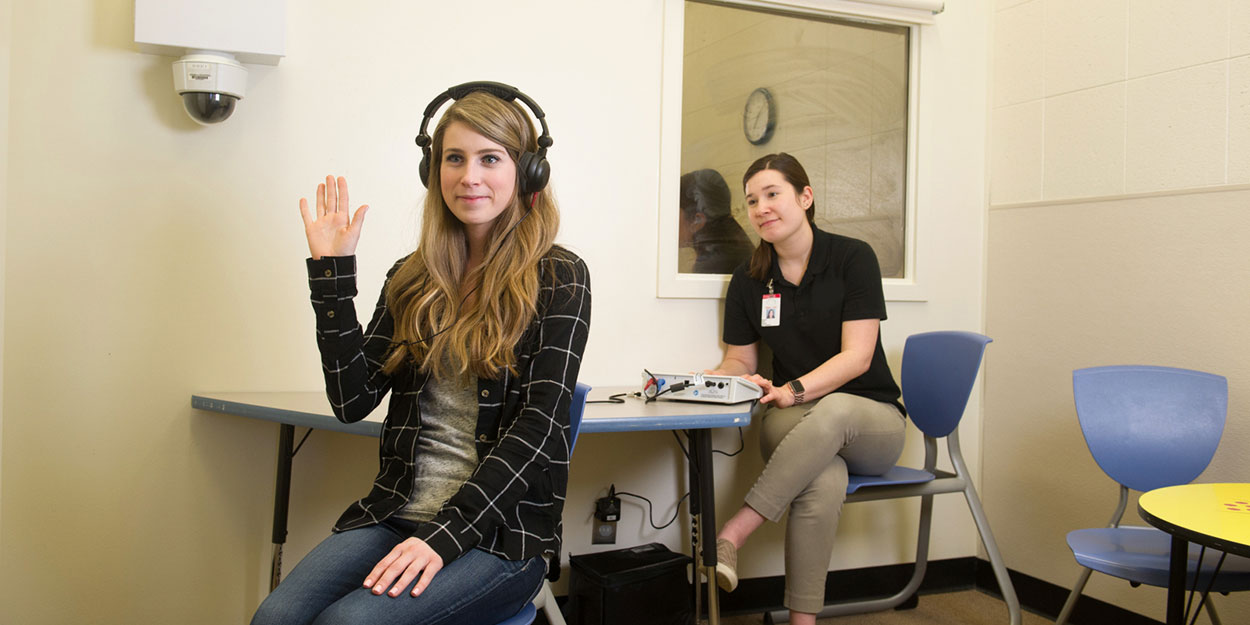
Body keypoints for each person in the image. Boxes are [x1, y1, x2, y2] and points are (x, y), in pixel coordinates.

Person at [250, 85, 591, 625]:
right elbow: (351, 399)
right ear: (433, 171)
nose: (468, 176)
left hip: (497, 536)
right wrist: (332, 276)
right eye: (453, 158)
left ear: (527, 173)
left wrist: (447, 534)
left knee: (347, 624)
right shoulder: (414, 277)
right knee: (275, 618)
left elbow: (540, 427)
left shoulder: (559, 277)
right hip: (395, 513)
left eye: (490, 158)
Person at [706, 153, 905, 625]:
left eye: (773, 194)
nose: (761, 208)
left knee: (835, 411)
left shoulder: (853, 258)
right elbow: (740, 358)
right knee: (823, 477)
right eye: (752, 200)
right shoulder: (749, 280)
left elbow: (857, 357)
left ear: (805, 197)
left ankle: (735, 529)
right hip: (791, 422)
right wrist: (725, 381)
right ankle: (803, 621)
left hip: (872, 422)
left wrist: (793, 390)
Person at [678, 168, 755, 274]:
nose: (669, 220)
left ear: (698, 220)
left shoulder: (711, 266)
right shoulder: (737, 248)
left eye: (675, 212)